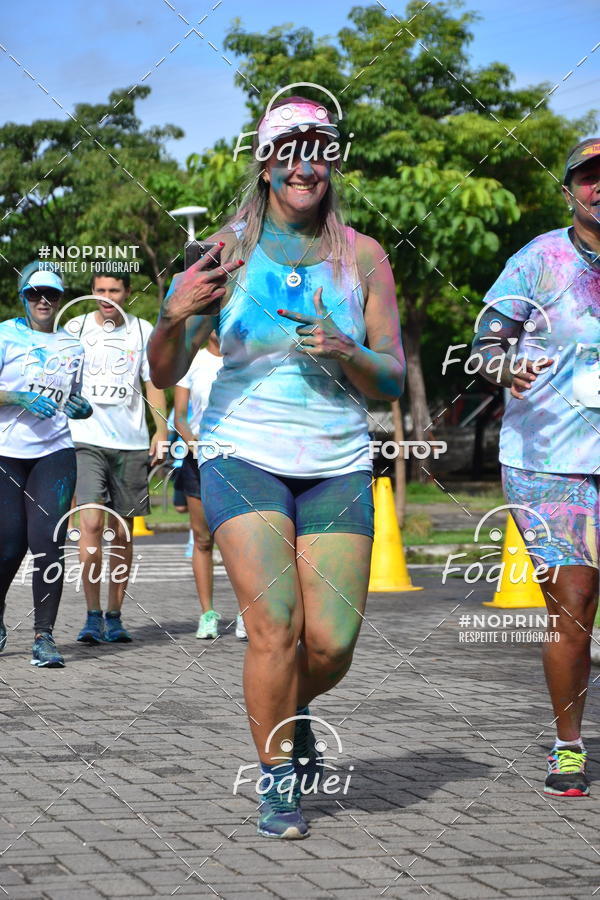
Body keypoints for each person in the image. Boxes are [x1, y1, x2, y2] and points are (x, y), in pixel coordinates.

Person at [148, 96, 405, 838]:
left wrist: (348, 351)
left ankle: (289, 715)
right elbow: (164, 371)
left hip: (337, 460)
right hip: (242, 452)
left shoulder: (362, 257)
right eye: (288, 149)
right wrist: (172, 317)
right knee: (276, 626)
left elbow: (389, 377)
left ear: (332, 161)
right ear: (264, 162)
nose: (304, 163)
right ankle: (276, 783)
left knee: (332, 642)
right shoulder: (224, 252)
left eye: (318, 149)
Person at [472, 137, 600, 798]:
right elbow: (485, 342)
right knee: (574, 602)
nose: (599, 187)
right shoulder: (539, 260)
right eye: (588, 178)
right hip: (551, 458)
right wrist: (505, 367)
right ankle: (570, 745)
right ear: (571, 189)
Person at [68, 264, 168, 644]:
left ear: (127, 293)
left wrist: (161, 429)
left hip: (130, 444)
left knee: (122, 532)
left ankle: (115, 614)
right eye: (100, 291)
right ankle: (92, 615)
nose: (107, 298)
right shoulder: (75, 329)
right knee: (91, 524)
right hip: (86, 440)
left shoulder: (142, 331)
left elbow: (153, 383)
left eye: (114, 291)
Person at [0, 262, 92, 667]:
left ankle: (44, 636)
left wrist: (83, 408)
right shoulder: (4, 334)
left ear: (59, 300)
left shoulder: (73, 346)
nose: (43, 300)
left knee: (47, 543)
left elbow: (75, 400)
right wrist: (17, 398)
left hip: (54, 451)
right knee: (8, 544)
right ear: (23, 297)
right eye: (35, 293)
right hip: (6, 452)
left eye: (51, 294)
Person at [173, 330, 247, 640]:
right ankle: (208, 614)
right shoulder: (193, 362)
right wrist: (193, 443)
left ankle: (248, 611)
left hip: (241, 458)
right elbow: (179, 416)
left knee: (243, 542)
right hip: (199, 457)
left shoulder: (245, 360)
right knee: (203, 539)